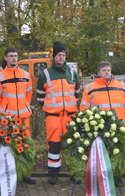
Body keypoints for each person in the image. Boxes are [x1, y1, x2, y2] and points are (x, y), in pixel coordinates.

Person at [80, 61, 125, 186]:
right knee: (101, 153)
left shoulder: (122, 86)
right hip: (99, 128)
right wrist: (86, 123)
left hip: (119, 126)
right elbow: (84, 107)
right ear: (98, 72)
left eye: (108, 70)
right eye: (104, 70)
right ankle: (100, 177)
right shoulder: (89, 87)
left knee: (117, 153)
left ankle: (117, 176)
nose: (107, 72)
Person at [36, 41, 81, 184]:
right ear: (54, 56)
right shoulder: (45, 74)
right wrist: (52, 108)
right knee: (53, 145)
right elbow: (40, 97)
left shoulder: (72, 73)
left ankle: (74, 172)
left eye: (63, 55)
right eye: (59, 55)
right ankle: (53, 173)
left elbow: (77, 94)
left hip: (70, 117)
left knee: (72, 145)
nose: (61, 57)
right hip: (53, 117)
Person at [0, 47, 36, 184]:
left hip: (23, 116)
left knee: (26, 146)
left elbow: (29, 92)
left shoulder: (25, 74)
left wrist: (25, 105)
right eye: (11, 56)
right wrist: (3, 110)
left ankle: (25, 173)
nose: (14, 58)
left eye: (16, 56)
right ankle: (9, 174)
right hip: (8, 118)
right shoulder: (0, 76)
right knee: (9, 147)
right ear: (5, 58)